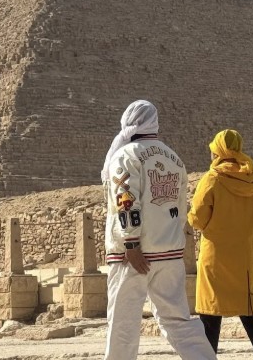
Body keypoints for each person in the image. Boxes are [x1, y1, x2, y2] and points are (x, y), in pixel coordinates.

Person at [101, 100, 216, 360]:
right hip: (169, 253)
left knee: (122, 325)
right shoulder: (173, 158)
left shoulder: (125, 155)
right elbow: (179, 206)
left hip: (133, 256)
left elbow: (126, 200)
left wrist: (131, 243)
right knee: (179, 321)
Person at [188, 129, 253, 360]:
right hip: (245, 257)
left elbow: (197, 218)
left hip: (216, 256)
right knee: (252, 316)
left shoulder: (212, 179)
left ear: (218, 151)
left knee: (210, 317)